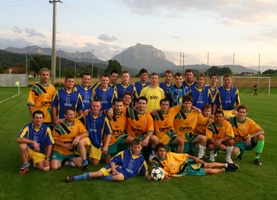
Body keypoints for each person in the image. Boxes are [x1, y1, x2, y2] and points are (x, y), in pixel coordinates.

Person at [65, 138, 150, 182]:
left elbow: (145, 172)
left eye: (139, 147)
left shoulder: (142, 160)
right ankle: (74, 178)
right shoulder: (125, 153)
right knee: (97, 173)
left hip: (121, 174)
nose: (137, 149)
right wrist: (113, 170)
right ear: (132, 147)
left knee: (120, 178)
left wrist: (150, 176)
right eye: (135, 147)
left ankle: (101, 177)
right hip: (114, 168)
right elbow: (112, 161)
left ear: (141, 147)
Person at [151, 143, 239, 180]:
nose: (162, 153)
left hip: (187, 162)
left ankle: (227, 165)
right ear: (157, 152)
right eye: (160, 151)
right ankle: (224, 169)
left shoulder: (169, 154)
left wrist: (195, 158)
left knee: (207, 164)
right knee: (209, 171)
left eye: (163, 150)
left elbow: (184, 155)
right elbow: (158, 170)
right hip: (185, 170)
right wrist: (163, 176)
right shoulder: (155, 161)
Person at [17, 110, 54, 175]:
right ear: (33, 119)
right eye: (36, 118)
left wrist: (47, 158)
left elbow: (50, 144)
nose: (38, 120)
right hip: (29, 150)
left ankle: (33, 162)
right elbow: (18, 139)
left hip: (40, 152)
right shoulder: (27, 127)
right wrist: (33, 142)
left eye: (40, 118)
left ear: (43, 119)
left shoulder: (47, 129)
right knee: (22, 145)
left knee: (46, 168)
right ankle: (25, 167)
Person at [78, 99, 112, 169]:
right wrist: (63, 119)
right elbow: (74, 120)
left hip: (97, 142)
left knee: (95, 163)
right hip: (87, 138)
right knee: (81, 142)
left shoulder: (104, 118)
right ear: (91, 106)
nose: (95, 108)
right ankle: (85, 162)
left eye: (97, 106)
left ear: (100, 107)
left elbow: (108, 133)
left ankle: (85, 156)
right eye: (93, 106)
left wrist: (106, 146)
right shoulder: (86, 115)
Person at [173, 95, 209, 159]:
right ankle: (178, 158)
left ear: (191, 103)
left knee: (203, 138)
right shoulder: (176, 112)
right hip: (180, 137)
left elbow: (205, 120)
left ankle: (200, 157)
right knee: (181, 157)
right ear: (183, 103)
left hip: (190, 136)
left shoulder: (195, 112)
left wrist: (219, 120)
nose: (187, 105)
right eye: (186, 103)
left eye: (189, 103)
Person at [103, 98, 128, 163]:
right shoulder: (107, 112)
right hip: (110, 141)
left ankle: (130, 158)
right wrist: (87, 111)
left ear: (123, 106)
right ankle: (115, 154)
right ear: (113, 105)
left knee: (133, 141)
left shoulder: (125, 112)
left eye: (120, 105)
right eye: (117, 105)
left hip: (120, 137)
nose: (119, 108)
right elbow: (96, 112)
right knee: (108, 162)